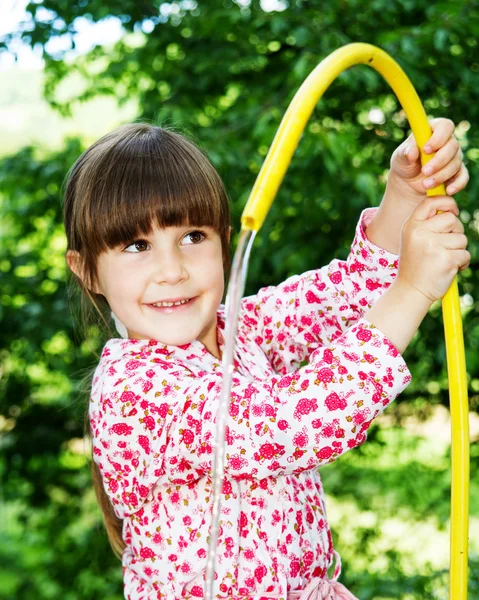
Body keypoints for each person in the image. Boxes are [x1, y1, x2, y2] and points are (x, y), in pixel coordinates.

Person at [64, 119, 469, 600]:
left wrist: (403, 192)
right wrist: (415, 289)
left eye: (193, 236)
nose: (171, 271)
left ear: (224, 240)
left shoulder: (241, 329)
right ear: (86, 269)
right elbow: (290, 424)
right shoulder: (134, 390)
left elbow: (348, 293)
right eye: (137, 246)